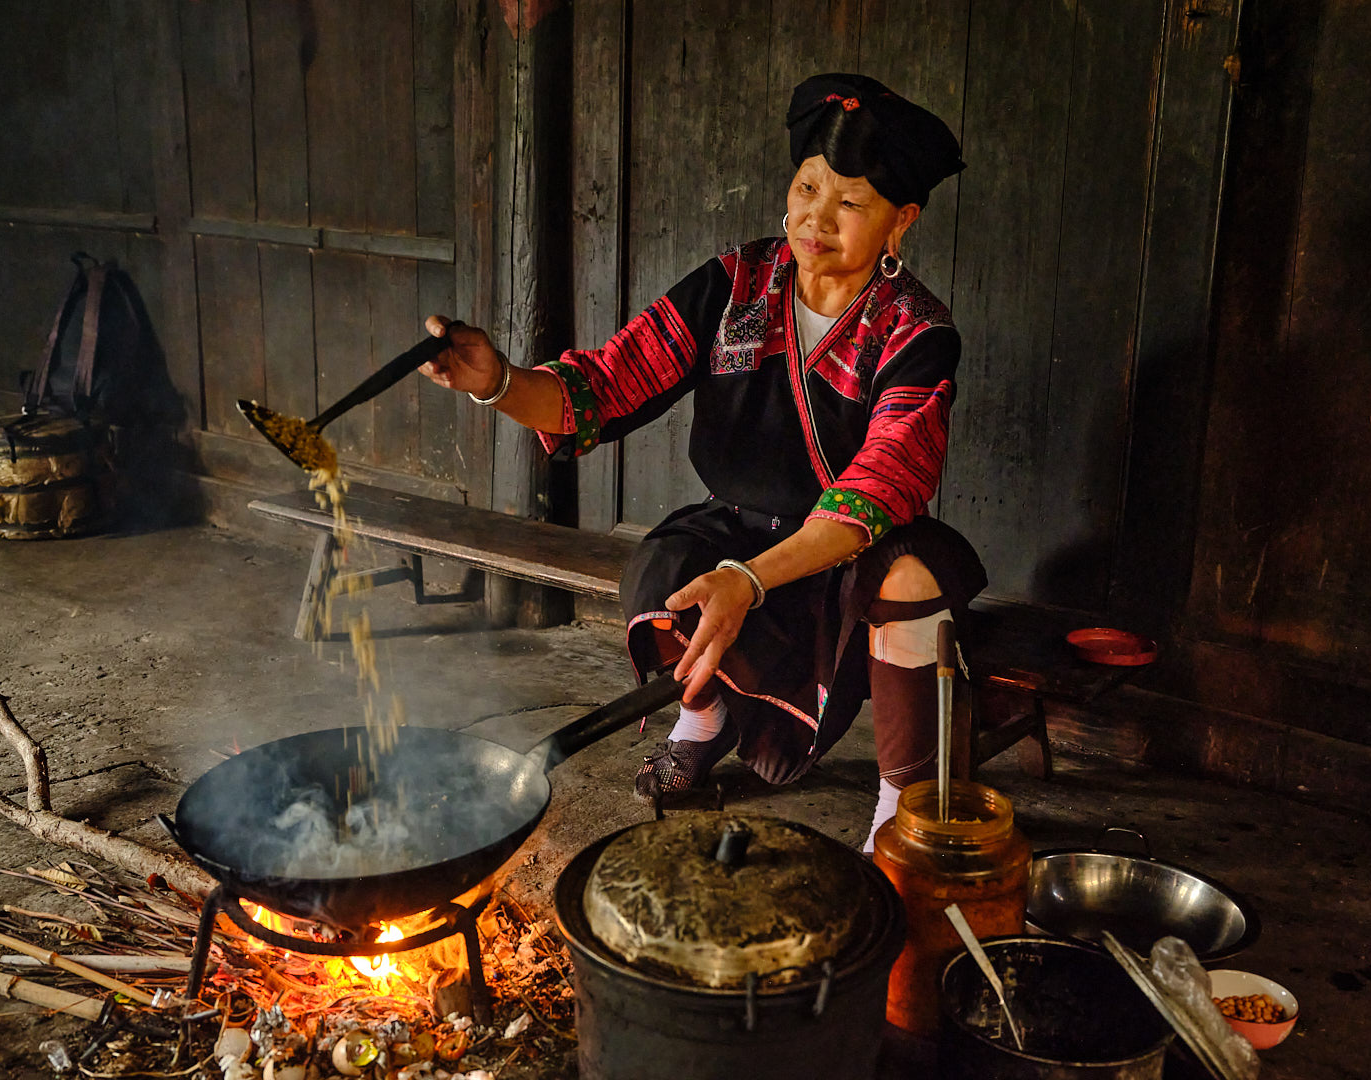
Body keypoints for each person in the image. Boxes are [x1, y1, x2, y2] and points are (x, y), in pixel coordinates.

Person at [419, 73, 985, 850]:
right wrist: (500, 383)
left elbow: (876, 488)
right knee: (663, 568)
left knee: (911, 580)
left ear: (900, 222)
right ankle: (704, 717)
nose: (816, 217)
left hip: (852, 551)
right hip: (739, 535)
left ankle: (901, 806)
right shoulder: (736, 283)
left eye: (850, 203)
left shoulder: (918, 331)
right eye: (807, 188)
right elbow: (610, 384)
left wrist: (751, 580)